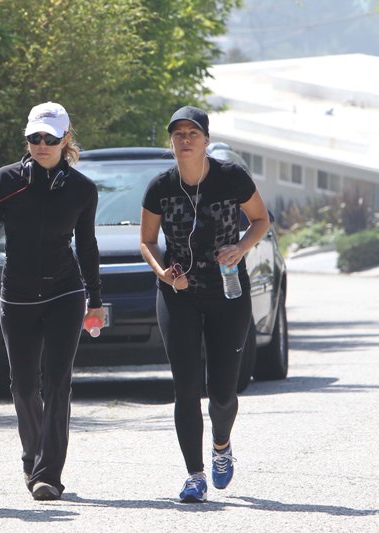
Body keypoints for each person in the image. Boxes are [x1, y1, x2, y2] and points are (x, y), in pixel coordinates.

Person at [0, 101, 104, 501]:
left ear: (65, 140)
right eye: (34, 138)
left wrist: (95, 298)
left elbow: (87, 246)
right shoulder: (5, 181)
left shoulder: (81, 189)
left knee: (58, 384)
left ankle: (48, 475)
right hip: (18, 294)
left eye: (50, 138)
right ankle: (33, 458)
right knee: (24, 386)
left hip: (65, 293)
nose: (42, 144)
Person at [139, 106, 270, 503]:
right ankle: (194, 475)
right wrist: (164, 273)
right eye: (178, 133)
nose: (184, 139)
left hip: (227, 293)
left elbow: (261, 220)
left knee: (223, 392)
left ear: (206, 140)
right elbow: (147, 241)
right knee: (186, 388)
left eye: (192, 133)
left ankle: (221, 445)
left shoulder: (232, 177)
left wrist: (241, 247)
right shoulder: (160, 187)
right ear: (171, 141)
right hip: (178, 294)